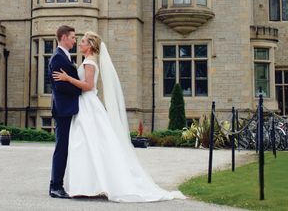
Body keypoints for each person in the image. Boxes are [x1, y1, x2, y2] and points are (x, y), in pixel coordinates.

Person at [53, 32, 186, 202]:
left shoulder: (89, 62)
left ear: (91, 45)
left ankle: (90, 185)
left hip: (88, 104)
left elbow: (88, 86)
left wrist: (67, 78)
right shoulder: (89, 60)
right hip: (85, 105)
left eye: (83, 42)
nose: (79, 44)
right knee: (87, 144)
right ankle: (88, 185)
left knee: (86, 143)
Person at [47, 25, 81, 199]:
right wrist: (81, 89)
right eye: (73, 37)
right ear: (64, 37)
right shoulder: (58, 58)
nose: (75, 40)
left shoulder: (64, 57)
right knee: (61, 148)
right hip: (63, 110)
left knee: (67, 147)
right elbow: (60, 86)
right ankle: (55, 186)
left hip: (69, 109)